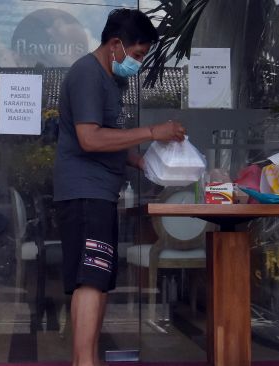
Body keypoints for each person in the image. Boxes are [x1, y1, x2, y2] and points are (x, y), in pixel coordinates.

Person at [53, 9, 185, 366]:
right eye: (138, 55)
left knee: (97, 280)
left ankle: (87, 359)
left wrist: (144, 160)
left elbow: (110, 139)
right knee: (90, 280)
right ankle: (85, 361)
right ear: (115, 45)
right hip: (84, 193)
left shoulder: (111, 80)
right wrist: (152, 132)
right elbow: (90, 138)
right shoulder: (86, 75)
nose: (138, 64)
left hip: (100, 193)